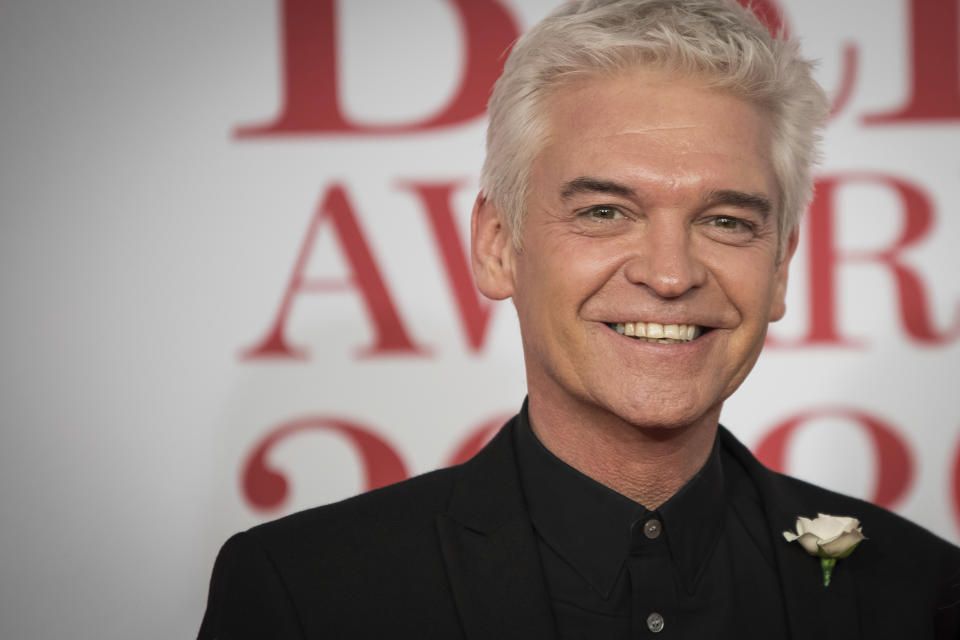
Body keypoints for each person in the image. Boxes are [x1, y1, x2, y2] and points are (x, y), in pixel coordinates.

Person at [198, 1, 960, 637]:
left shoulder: (920, 589)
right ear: (499, 247)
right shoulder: (305, 592)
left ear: (782, 266)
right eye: (605, 212)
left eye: (726, 221)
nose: (669, 274)